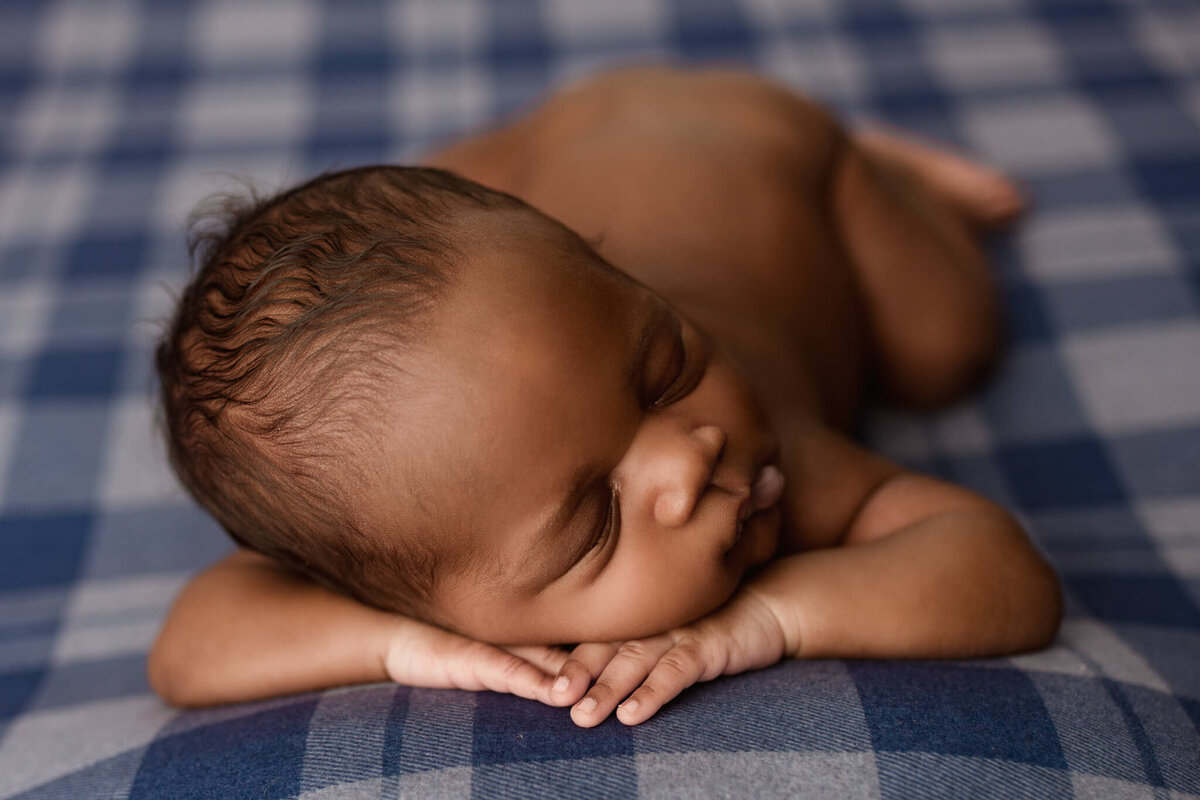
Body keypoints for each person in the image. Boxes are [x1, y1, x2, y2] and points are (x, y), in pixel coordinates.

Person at [149, 66, 1061, 728]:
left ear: (622, 282)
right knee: (415, 236)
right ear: (427, 599)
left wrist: (771, 619)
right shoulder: (409, 531)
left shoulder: (776, 459)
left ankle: (882, 166)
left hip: (767, 144)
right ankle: (563, 139)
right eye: (593, 523)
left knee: (945, 349)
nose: (691, 452)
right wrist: (402, 648)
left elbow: (1002, 572)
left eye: (666, 368)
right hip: (585, 132)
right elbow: (190, 647)